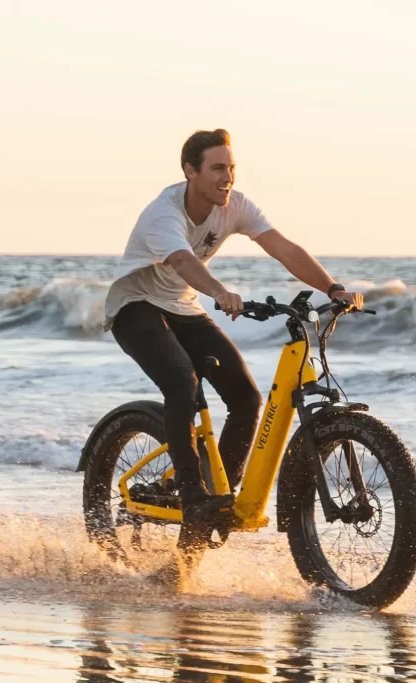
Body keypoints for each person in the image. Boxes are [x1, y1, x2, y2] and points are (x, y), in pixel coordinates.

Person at [105, 128, 363, 525]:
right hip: (135, 307)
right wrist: (219, 292)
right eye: (217, 169)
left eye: (231, 167)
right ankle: (193, 496)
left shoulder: (236, 206)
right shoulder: (164, 213)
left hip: (181, 306)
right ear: (190, 171)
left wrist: (333, 288)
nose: (227, 177)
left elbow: (283, 248)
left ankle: (218, 497)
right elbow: (183, 261)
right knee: (182, 382)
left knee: (246, 398)